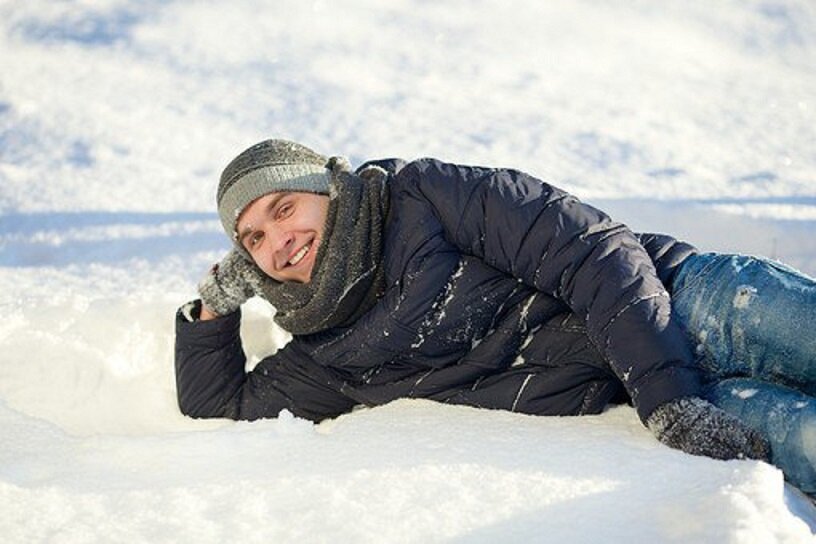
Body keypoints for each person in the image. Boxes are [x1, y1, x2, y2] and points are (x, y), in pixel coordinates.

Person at [174, 139, 816, 496]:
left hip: (689, 301)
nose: (276, 241)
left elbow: (590, 250)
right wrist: (212, 307)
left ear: (325, 189)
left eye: (283, 209)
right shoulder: (325, 348)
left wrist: (667, 398)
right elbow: (220, 405)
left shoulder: (419, 196)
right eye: (252, 239)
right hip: (658, 395)